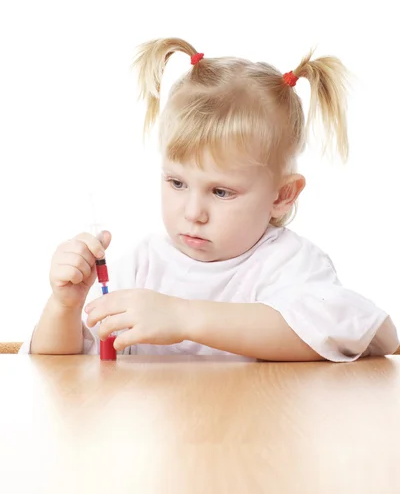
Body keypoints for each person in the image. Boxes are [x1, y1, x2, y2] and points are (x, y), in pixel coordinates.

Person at [19, 38, 399, 362]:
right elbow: (60, 373)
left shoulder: (288, 264)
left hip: (261, 442)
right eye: (177, 182)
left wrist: (183, 317)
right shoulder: (143, 265)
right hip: (165, 447)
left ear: (282, 196)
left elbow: (340, 333)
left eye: (220, 192)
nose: (193, 213)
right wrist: (64, 307)